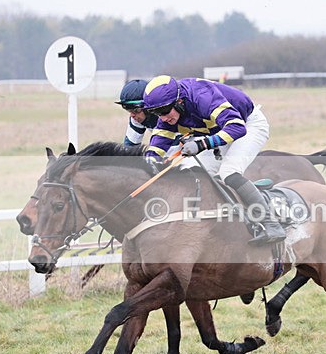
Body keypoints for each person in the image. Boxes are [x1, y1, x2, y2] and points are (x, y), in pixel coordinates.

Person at [142, 75, 285, 245]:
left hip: (247, 125)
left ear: (179, 101)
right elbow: (161, 137)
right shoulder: (168, 109)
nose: (163, 118)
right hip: (218, 133)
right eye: (157, 113)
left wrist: (202, 144)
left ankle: (271, 223)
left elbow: (237, 127)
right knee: (190, 173)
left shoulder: (202, 97)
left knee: (228, 172)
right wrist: (150, 160)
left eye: (164, 112)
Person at [115, 79, 159, 146]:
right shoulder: (136, 118)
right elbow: (130, 148)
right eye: (129, 110)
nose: (132, 115)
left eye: (136, 110)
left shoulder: (166, 116)